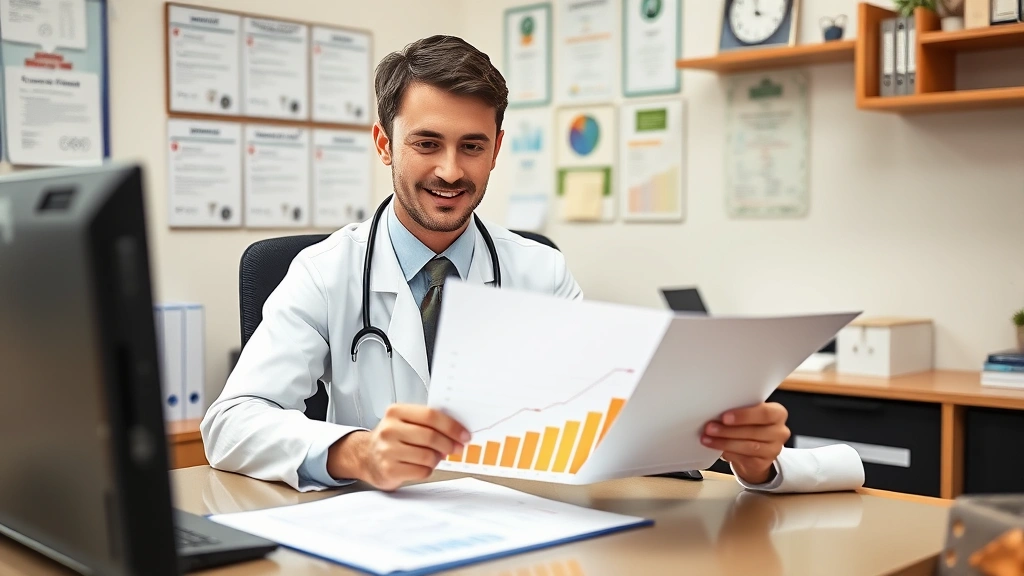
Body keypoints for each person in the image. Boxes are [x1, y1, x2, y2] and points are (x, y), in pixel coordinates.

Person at [202, 35, 862, 494]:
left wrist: (742, 452)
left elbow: (605, 423)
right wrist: (355, 451)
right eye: (426, 144)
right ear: (384, 144)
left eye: (472, 146)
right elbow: (230, 424)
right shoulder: (326, 271)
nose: (450, 171)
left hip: (524, 539)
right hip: (378, 532)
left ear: (495, 151)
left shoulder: (538, 270)